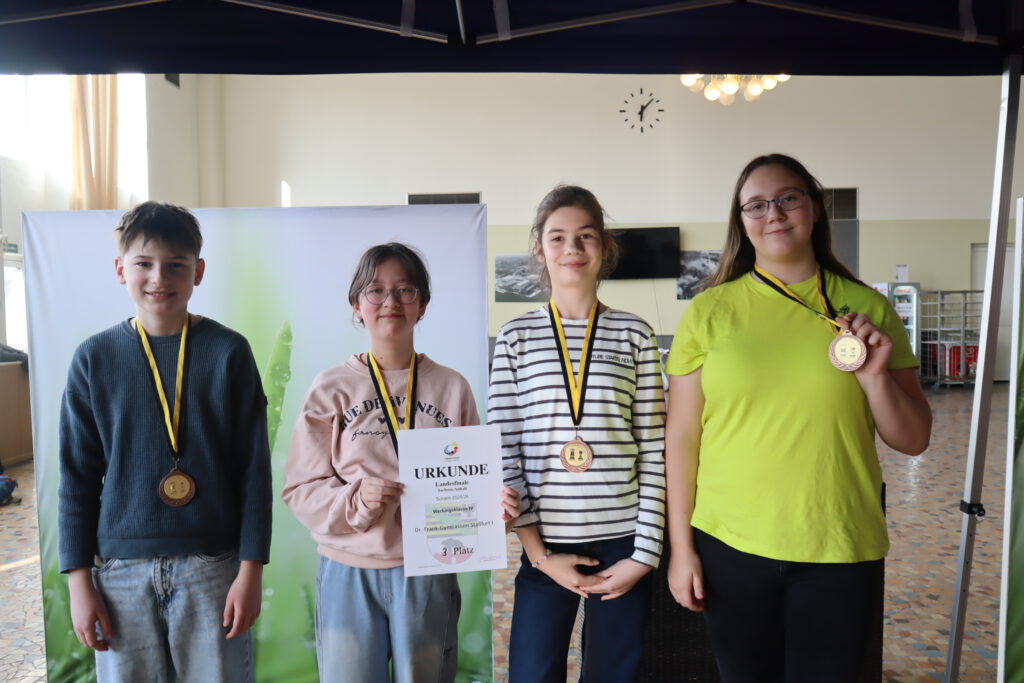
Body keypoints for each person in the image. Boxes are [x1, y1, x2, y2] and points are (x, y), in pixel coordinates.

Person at [664, 153, 932, 682]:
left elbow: (914, 439)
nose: (774, 213)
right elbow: (682, 436)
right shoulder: (708, 312)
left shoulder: (867, 310)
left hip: (839, 542)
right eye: (757, 205)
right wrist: (681, 549)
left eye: (788, 197)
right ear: (741, 221)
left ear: (814, 207)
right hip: (730, 544)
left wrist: (874, 376)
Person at [282, 242, 518, 683]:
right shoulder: (330, 388)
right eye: (376, 290)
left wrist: (493, 511)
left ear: (422, 304)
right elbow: (301, 489)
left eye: (405, 290)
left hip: (427, 570)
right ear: (357, 305)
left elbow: (472, 483)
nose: (390, 301)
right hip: (348, 568)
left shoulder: (452, 387)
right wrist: (356, 499)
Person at [59, 201, 273, 682]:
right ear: (121, 270)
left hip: (213, 567)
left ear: (198, 271)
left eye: (176, 265)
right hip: (119, 572)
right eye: (144, 263)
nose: (159, 278)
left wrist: (251, 570)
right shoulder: (93, 358)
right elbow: (76, 478)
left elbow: (253, 473)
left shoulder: (229, 352)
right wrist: (79, 582)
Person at [489, 185, 667, 683]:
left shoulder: (635, 333)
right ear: (540, 250)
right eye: (558, 237)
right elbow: (505, 450)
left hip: (623, 544)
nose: (572, 248)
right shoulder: (516, 337)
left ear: (605, 247)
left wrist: (644, 555)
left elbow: (655, 450)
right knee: (532, 673)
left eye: (585, 236)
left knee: (613, 674)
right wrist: (539, 555)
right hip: (545, 544)